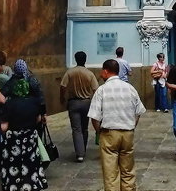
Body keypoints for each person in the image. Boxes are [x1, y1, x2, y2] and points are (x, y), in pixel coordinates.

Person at [88, 59, 145, 191]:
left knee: (110, 173)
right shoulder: (130, 88)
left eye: (102, 71)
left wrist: (99, 132)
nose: (101, 74)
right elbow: (138, 112)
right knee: (128, 171)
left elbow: (94, 117)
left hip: (109, 133)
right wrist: (132, 126)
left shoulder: (102, 90)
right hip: (128, 133)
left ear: (106, 71)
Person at [0, 75, 46, 191]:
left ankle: (13, 185)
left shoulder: (9, 104)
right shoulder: (34, 102)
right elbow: (39, 119)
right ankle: (31, 183)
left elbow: (4, 127)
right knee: (30, 162)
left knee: (13, 163)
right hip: (29, 137)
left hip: (13, 140)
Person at [60, 51, 99, 162]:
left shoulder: (70, 72)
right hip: (86, 103)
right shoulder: (89, 74)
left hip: (73, 103)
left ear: (75, 59)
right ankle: (83, 150)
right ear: (85, 60)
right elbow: (95, 89)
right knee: (84, 128)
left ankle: (79, 153)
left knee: (76, 129)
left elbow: (62, 86)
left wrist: (62, 98)